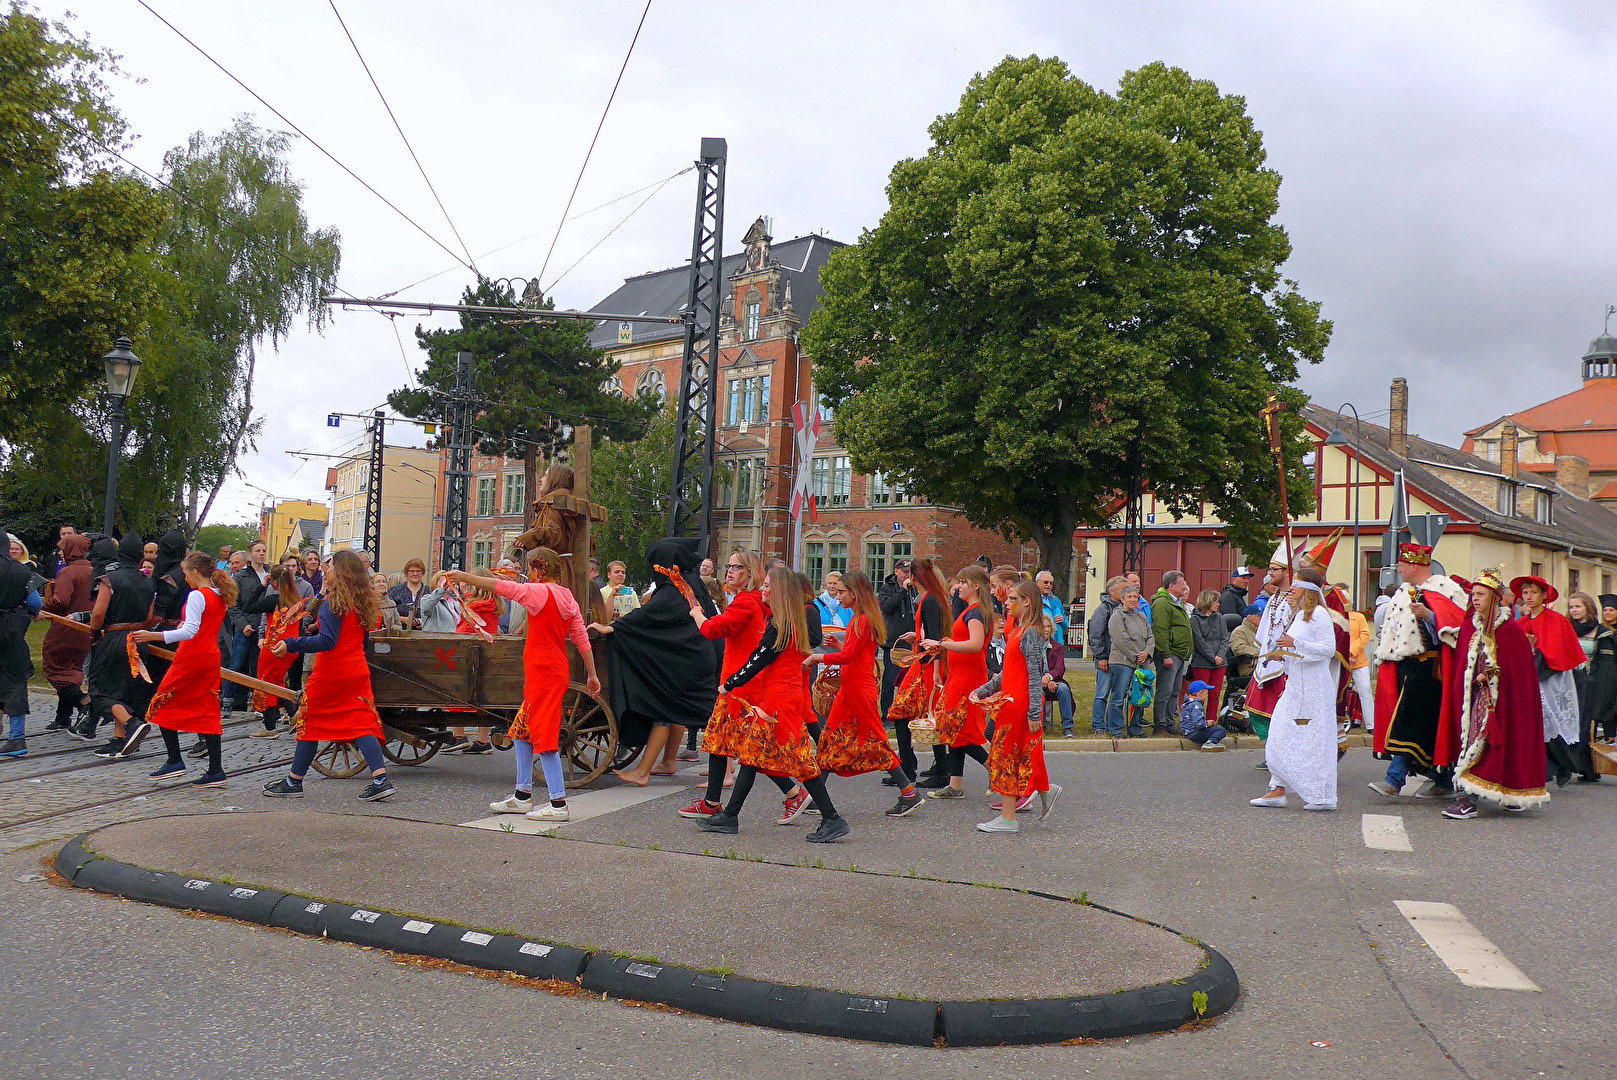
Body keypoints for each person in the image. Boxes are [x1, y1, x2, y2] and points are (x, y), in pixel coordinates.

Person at [696, 566, 849, 842]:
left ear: (778, 591)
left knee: (800, 761)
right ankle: (730, 816)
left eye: (767, 586)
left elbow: (759, 658)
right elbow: (761, 656)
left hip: (780, 701)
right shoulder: (787, 620)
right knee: (752, 758)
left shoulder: (783, 624)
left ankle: (832, 818)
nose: (763, 590)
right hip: (778, 697)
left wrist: (730, 683)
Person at [459, 550, 599, 823]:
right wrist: (592, 674)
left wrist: (464, 576)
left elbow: (504, 588)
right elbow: (581, 638)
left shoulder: (538, 592)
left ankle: (558, 803)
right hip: (552, 668)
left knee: (544, 735)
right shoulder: (566, 595)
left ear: (536, 569)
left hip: (542, 671)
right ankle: (522, 795)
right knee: (522, 731)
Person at [262, 549, 395, 801]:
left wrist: (291, 643)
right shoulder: (361, 601)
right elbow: (362, 639)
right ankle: (380, 778)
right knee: (361, 722)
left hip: (331, 672)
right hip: (356, 669)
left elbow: (327, 641)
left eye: (330, 565)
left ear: (341, 571)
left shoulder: (335, 604)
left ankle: (294, 782)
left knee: (310, 724)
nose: (326, 569)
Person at [595, 538, 722, 789]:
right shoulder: (690, 582)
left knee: (665, 709)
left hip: (690, 661)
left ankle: (643, 772)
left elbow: (648, 616)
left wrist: (613, 627)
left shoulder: (675, 589)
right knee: (687, 712)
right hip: (700, 656)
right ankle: (669, 762)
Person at [679, 551, 791, 814]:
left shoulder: (745, 602)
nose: (730, 571)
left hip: (738, 685)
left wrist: (697, 614)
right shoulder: (753, 601)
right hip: (745, 682)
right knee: (728, 743)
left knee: (741, 747)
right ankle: (712, 802)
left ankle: (796, 792)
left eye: (737, 567)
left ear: (750, 573)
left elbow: (713, 630)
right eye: (729, 566)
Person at [1434, 570, 1550, 818]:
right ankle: (1468, 796)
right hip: (1473, 698)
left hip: (1502, 701)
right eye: (1473, 594)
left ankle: (1486, 795)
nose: (1475, 599)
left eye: (1481, 594)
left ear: (1495, 598)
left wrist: (1494, 675)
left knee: (1500, 743)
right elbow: (1462, 664)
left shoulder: (1510, 631)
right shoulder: (1469, 626)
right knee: (1471, 743)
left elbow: (1520, 673)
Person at [804, 570, 920, 817]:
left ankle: (909, 792)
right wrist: (839, 645)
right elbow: (855, 652)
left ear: (855, 594)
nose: (839, 596)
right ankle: (817, 796)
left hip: (858, 690)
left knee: (876, 741)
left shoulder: (862, 619)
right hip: (852, 689)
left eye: (843, 592)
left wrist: (818, 656)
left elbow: (848, 657)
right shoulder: (862, 618)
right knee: (828, 739)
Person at [129, 553, 237, 785]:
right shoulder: (219, 595)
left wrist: (152, 635)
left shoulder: (198, 595)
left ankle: (174, 760)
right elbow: (203, 625)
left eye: (187, 573)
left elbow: (190, 631)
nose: (185, 578)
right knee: (207, 707)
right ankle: (215, 769)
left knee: (162, 700)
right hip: (209, 657)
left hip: (192, 656)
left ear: (195, 572)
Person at [1370, 543, 1467, 798]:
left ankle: (1394, 779)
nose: (1398, 568)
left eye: (1402, 563)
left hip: (1432, 668)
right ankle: (1443, 781)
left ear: (1415, 565)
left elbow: (1458, 628)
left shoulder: (1446, 589)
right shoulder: (1402, 592)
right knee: (1432, 725)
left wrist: (1429, 616)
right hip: (1405, 665)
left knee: (1409, 720)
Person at [973, 580, 1058, 832]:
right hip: (1012, 701)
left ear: (1027, 601)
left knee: (1005, 757)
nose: (1007, 604)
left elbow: (1034, 673)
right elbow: (1008, 672)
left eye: (1012, 599)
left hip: (1018, 704)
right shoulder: (1020, 631)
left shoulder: (1029, 632)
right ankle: (1044, 790)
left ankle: (1009, 818)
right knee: (1018, 755)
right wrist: (983, 690)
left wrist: (1033, 711)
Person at [1249, 573, 1340, 811]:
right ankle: (1277, 789)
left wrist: (1294, 644)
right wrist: (1283, 653)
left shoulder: (1319, 615)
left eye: (1293, 588)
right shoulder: (1298, 616)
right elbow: (1294, 650)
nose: (1289, 592)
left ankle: (1321, 795)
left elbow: (1328, 649)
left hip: (1314, 688)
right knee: (1279, 734)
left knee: (1313, 740)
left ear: (1306, 589)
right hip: (1295, 686)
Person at [922, 565, 995, 801]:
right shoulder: (971, 610)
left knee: (960, 730)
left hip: (967, 678)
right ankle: (955, 784)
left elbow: (975, 645)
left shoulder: (975, 612)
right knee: (955, 729)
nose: (959, 586)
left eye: (963, 582)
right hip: (961, 675)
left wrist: (943, 644)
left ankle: (998, 771)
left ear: (975, 585)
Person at [85, 533, 158, 758]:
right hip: (138, 639)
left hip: (115, 638)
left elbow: (98, 613)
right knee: (124, 690)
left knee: (99, 690)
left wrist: (95, 632)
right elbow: (150, 616)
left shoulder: (110, 578)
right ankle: (119, 739)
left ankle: (131, 724)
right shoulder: (148, 581)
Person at [1512, 575, 1585, 788]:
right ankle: (1544, 768)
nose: (1529, 597)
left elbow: (1558, 653)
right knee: (1536, 722)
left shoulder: (1556, 620)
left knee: (1556, 718)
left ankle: (1565, 764)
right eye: (1526, 593)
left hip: (1553, 678)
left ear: (1544, 595)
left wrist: (1536, 653)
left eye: (1534, 592)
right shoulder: (1521, 622)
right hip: (1530, 678)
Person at [891, 557, 951, 787]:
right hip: (925, 663)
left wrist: (935, 668)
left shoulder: (928, 601)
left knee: (905, 713)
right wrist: (916, 637)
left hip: (926, 666)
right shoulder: (931, 599)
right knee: (928, 715)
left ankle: (910, 767)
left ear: (914, 578)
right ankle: (933, 768)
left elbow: (935, 638)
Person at [246, 565, 310, 739]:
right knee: (276, 683)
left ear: (274, 582)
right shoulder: (296, 601)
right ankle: (291, 714)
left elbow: (248, 607)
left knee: (264, 684)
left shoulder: (274, 600)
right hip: (291, 647)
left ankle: (270, 727)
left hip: (273, 647)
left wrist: (261, 585)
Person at [39, 533, 93, 731]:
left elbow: (61, 600)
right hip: (85, 629)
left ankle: (82, 703)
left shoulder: (68, 573)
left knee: (55, 668)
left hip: (65, 627)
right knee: (71, 669)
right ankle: (63, 717)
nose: (60, 552)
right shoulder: (93, 570)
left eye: (63, 548)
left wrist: (44, 609)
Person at [1244, 549, 1296, 745]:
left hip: (1284, 665)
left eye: (1275, 569)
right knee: (1256, 710)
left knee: (1281, 714)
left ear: (1286, 571)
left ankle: (1282, 752)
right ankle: (1272, 749)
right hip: (1267, 663)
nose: (1270, 573)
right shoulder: (1273, 598)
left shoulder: (1294, 599)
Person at [0, 524, 43, 757]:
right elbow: (36, 604)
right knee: (15, 680)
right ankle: (17, 738)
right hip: (12, 629)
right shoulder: (23, 571)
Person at [1565, 591, 1614, 782]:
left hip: (1589, 685)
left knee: (1584, 727)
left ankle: (1588, 768)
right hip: (1568, 682)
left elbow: (1607, 668)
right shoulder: (1566, 629)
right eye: (1571, 607)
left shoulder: (1602, 632)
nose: (1574, 610)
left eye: (1578, 606)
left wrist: (1603, 695)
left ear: (1588, 608)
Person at [877, 558, 917, 778]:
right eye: (904, 572)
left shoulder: (914, 589)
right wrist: (902, 590)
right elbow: (887, 607)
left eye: (910, 572)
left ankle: (904, 717)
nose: (907, 575)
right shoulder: (888, 588)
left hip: (912, 645)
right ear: (896, 572)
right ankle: (886, 715)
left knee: (907, 687)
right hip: (893, 643)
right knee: (889, 683)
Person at [223, 542, 269, 713]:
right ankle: (228, 701)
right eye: (258, 551)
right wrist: (243, 625)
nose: (262, 554)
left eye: (264, 550)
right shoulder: (241, 577)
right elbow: (233, 605)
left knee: (259, 667)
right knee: (236, 664)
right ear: (251, 555)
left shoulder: (270, 574)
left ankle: (259, 703)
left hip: (264, 628)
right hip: (246, 626)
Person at [1107, 580, 1155, 737]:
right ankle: (1115, 728)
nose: (1133, 599)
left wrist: (1147, 652)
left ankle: (1135, 728)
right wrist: (1136, 655)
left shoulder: (1141, 617)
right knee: (1118, 697)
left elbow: (1150, 636)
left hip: (1140, 664)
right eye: (1129, 597)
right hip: (1122, 663)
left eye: (1135, 596)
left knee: (1137, 697)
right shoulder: (1117, 616)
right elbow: (1121, 639)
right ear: (1122, 599)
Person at [1150, 571, 1193, 735]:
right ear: (1171, 586)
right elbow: (1160, 630)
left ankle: (1169, 722)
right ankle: (1160, 724)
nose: (1185, 587)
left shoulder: (1177, 603)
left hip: (1180, 654)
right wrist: (1165, 654)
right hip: (1171, 654)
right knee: (1165, 690)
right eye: (1182, 584)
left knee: (1174, 692)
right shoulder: (1162, 604)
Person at [1088, 576, 1125, 736]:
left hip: (1121, 660)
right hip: (1106, 659)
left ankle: (1113, 724)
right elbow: (1095, 634)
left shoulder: (1124, 608)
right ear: (1112, 591)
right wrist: (1101, 657)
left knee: (1118, 694)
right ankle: (1098, 724)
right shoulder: (1103, 609)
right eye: (1122, 589)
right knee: (1102, 693)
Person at [1189, 589, 1230, 716]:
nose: (1218, 605)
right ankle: (1197, 719)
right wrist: (1212, 657)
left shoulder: (1219, 618)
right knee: (1200, 693)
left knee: (1215, 694)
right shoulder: (1195, 619)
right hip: (1202, 662)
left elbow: (1225, 638)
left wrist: (1220, 656)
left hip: (1220, 662)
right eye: (1216, 602)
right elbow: (1199, 641)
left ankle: (1211, 720)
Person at [1345, 594, 1375, 735]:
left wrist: (1352, 651)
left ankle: (1371, 724)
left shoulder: (1358, 617)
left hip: (1358, 661)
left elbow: (1365, 635)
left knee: (1365, 689)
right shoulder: (1331, 617)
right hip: (1339, 661)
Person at [1041, 615, 1075, 736]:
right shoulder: (1033, 646)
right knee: (1038, 692)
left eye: (1048, 626)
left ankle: (1068, 727)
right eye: (1043, 626)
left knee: (1063, 689)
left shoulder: (1057, 647)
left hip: (1054, 682)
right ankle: (1042, 726)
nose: (1046, 629)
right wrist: (1044, 680)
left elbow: (1060, 668)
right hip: (1037, 682)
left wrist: (1049, 677)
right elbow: (1031, 668)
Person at [1180, 679, 1227, 750]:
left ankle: (1208, 740)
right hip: (1194, 733)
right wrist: (1207, 723)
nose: (1207, 695)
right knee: (1221, 730)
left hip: (1188, 732)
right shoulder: (1196, 705)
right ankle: (1210, 742)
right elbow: (1198, 724)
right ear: (1201, 693)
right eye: (1206, 693)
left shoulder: (1188, 703)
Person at [386, 558, 428, 627]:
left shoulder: (429, 592)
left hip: (423, 633)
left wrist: (423, 622)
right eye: (412, 571)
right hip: (400, 632)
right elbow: (387, 612)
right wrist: (404, 620)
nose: (415, 574)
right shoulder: (396, 591)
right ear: (406, 573)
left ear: (423, 573)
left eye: (418, 571)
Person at [1035, 570, 1067, 647]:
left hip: (1057, 644)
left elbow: (1066, 624)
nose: (1048, 585)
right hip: (1040, 643)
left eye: (1051, 583)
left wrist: (1063, 620)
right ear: (1037, 583)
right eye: (1046, 582)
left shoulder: (1056, 600)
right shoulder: (1033, 600)